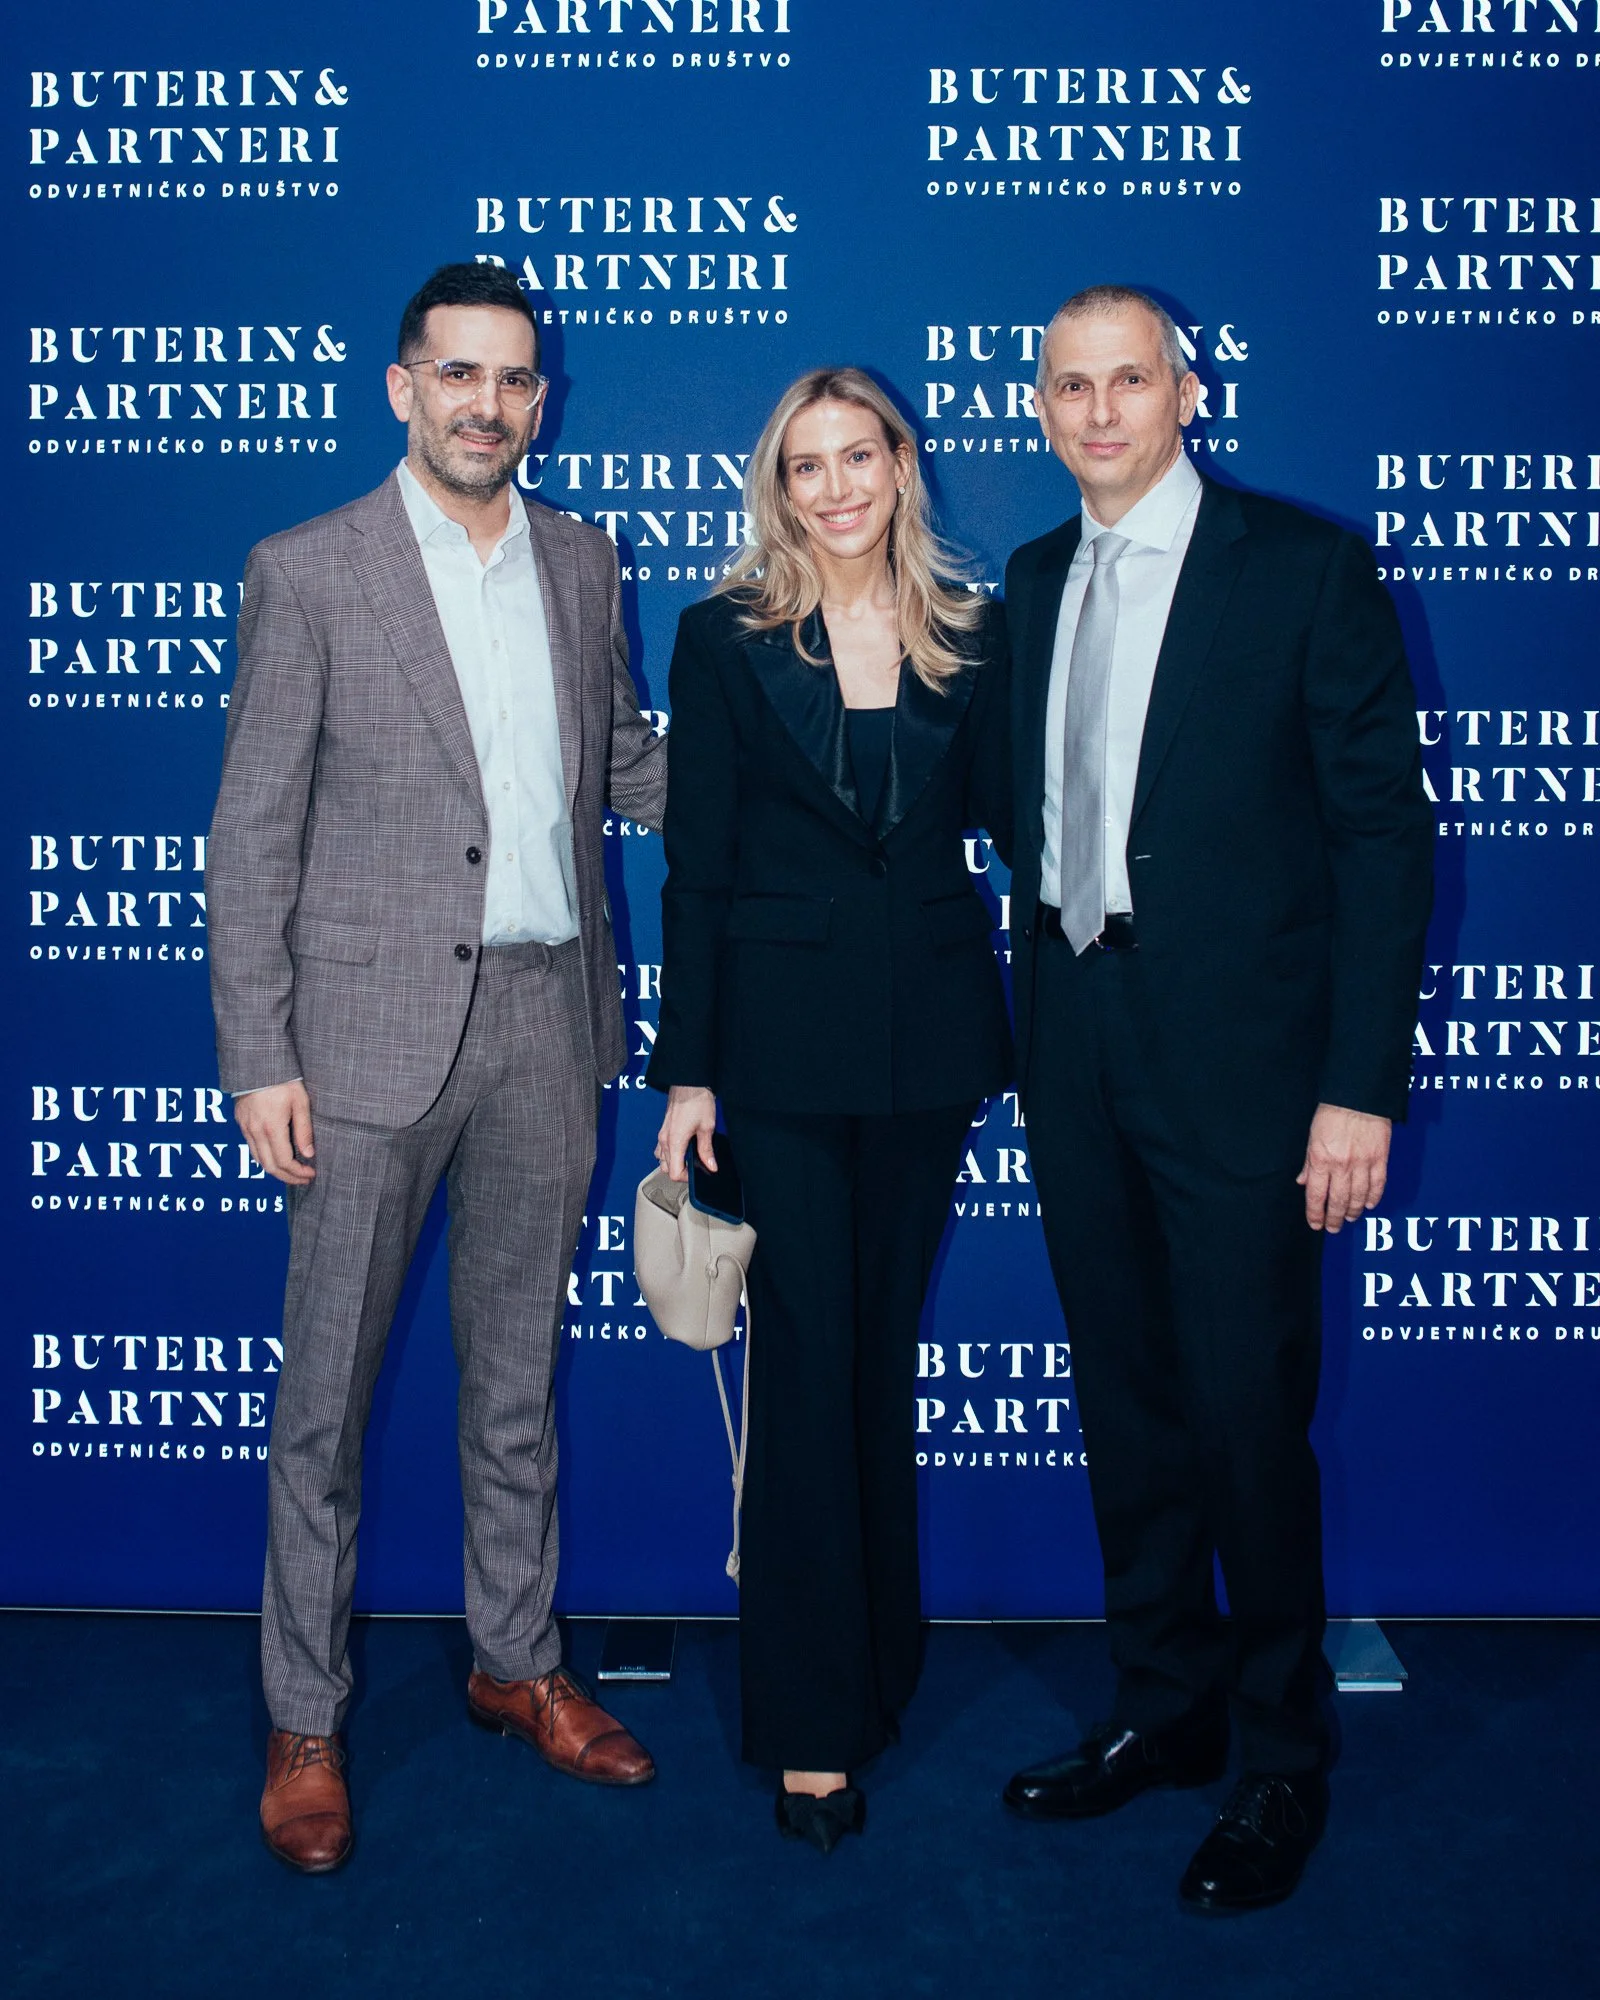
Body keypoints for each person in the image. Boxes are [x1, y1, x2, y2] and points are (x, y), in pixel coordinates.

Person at [207, 262, 667, 1874]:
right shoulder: (310, 570)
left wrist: (799, 753)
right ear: (403, 387)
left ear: (542, 400)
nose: (489, 404)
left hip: (551, 1021)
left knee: (515, 1377)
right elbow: (251, 830)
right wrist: (258, 1051)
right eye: (458, 374)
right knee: (322, 1403)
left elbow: (622, 761)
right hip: (362, 1046)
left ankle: (514, 1662)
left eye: (517, 379)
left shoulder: (583, 558)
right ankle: (306, 1713)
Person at [1001, 287, 1432, 1911]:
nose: (1100, 411)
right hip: (1077, 1044)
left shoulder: (1303, 568)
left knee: (1250, 1421)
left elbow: (1383, 844)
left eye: (1130, 381)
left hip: (1253, 1076)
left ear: (1186, 392)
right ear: (1040, 407)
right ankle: (1163, 1712)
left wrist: (1354, 1090)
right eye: (1071, 386)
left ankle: (1280, 1761)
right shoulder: (1035, 582)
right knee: (1128, 1401)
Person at [649, 368, 1012, 1852]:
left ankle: (881, 1654)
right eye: (809, 466)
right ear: (779, 487)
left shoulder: (980, 636)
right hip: (779, 1063)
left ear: (901, 464)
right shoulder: (724, 642)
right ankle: (810, 1723)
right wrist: (690, 1068)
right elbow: (699, 869)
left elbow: (1038, 827)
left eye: (860, 456)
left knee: (875, 1353)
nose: (839, 486)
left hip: (928, 1052)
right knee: (805, 1364)